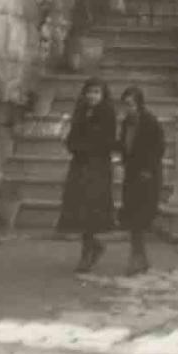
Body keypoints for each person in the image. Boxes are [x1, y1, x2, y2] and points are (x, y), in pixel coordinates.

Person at [56, 77, 118, 273]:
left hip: (97, 167)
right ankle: (92, 247)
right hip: (80, 165)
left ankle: (87, 252)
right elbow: (73, 139)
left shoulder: (108, 114)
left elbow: (104, 142)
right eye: (89, 92)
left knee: (92, 208)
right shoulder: (81, 112)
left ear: (103, 95)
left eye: (97, 92)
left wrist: (82, 145)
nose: (92, 96)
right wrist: (73, 144)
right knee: (79, 208)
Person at [117, 84, 165, 276]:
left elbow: (158, 149)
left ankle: (137, 259)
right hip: (131, 175)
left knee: (139, 218)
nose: (127, 109)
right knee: (133, 217)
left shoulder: (150, 122)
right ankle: (140, 258)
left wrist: (147, 170)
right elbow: (124, 146)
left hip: (147, 176)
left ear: (139, 104)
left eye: (130, 105)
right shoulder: (126, 123)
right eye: (125, 105)